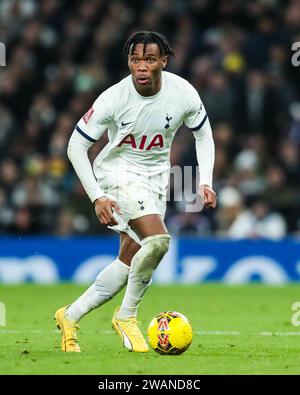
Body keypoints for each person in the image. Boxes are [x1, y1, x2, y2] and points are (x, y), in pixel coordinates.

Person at [55, 31, 217, 353]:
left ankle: (69, 316)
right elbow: (76, 145)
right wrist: (97, 196)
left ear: (164, 61)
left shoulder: (183, 92)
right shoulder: (114, 98)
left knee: (129, 261)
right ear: (129, 62)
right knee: (158, 242)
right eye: (135, 60)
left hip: (156, 179)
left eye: (149, 60)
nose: (141, 67)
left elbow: (204, 135)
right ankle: (127, 316)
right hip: (117, 174)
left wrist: (206, 180)